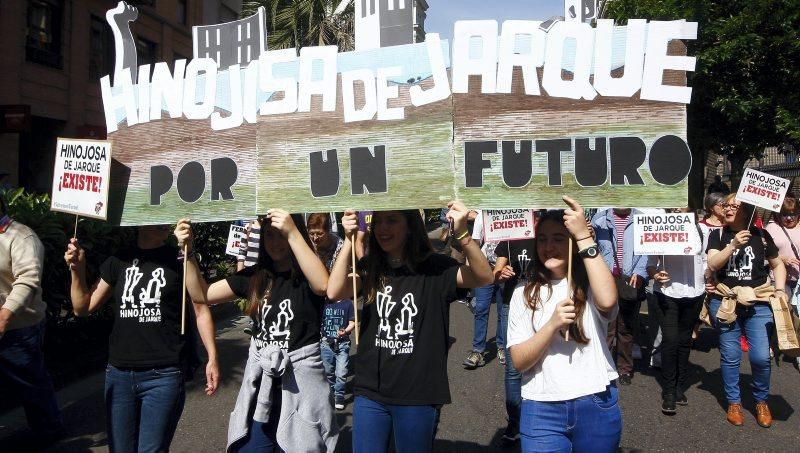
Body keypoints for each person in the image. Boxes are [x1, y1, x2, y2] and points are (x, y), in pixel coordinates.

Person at [327, 203, 493, 453]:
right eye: (379, 221)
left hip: (418, 394)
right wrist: (349, 240)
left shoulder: (436, 268)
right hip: (371, 390)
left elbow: (483, 277)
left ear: (410, 226)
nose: (383, 228)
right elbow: (334, 290)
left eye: (392, 220)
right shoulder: (371, 266)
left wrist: (462, 234)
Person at [178, 211, 338, 452]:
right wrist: (188, 252)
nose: (275, 243)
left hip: (300, 388)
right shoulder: (254, 277)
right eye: (269, 236)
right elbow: (202, 294)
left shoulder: (309, 274)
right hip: (260, 389)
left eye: (281, 235)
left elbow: (323, 285)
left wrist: (292, 230)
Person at [64, 224, 219, 453]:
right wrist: (77, 269)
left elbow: (200, 306)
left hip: (164, 375)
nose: (162, 222)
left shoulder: (180, 257)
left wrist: (212, 357)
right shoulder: (119, 260)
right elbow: (82, 307)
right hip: (119, 374)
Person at [507, 197, 620, 452]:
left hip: (596, 401)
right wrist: (551, 326)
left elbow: (608, 300)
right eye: (543, 239)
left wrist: (583, 236)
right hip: (541, 407)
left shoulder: (590, 282)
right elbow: (519, 361)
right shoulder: (523, 293)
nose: (549, 247)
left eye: (558, 238)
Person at [706, 194, 786, 428]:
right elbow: (712, 265)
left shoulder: (761, 235)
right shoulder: (718, 234)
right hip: (725, 301)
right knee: (730, 356)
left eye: (734, 206)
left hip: (758, 302)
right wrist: (732, 246)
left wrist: (780, 289)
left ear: (747, 210)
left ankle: (761, 401)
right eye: (726, 205)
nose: (728, 209)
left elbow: (777, 263)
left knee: (761, 356)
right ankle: (734, 403)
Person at [0, 206, 64, 445]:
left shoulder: (21, 236)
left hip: (19, 328)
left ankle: (49, 431)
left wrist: (4, 316)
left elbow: (28, 278)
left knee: (31, 383)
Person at [646, 208, 708, 414]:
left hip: (695, 293)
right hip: (667, 293)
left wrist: (710, 279)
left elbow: (706, 260)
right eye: (673, 204)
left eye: (681, 204)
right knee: (670, 341)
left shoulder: (703, 230)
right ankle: (669, 391)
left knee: (684, 340)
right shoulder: (658, 227)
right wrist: (656, 274)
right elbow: (650, 264)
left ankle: (680, 385)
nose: (676, 208)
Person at [592, 208, 649, 385]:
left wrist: (640, 273)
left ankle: (625, 368)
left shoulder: (642, 218)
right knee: (606, 326)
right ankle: (604, 366)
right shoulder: (599, 219)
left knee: (626, 327)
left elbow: (647, 249)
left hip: (630, 278)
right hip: (606, 278)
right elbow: (594, 248)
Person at [492, 231, 536, 446]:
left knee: (541, 362)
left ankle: (537, 418)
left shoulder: (547, 234)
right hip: (512, 305)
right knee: (512, 368)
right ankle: (515, 422)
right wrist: (500, 273)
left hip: (542, 304)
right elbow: (495, 273)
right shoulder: (510, 236)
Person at [307, 213, 354, 410]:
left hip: (332, 293)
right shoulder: (309, 245)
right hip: (312, 292)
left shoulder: (339, 245)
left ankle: (334, 386)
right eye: (312, 234)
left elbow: (336, 281)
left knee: (327, 337)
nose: (315, 238)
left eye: (319, 234)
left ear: (327, 231)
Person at [462, 209, 504, 369]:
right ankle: (477, 351)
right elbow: (476, 242)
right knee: (481, 309)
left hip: (506, 268)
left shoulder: (513, 212)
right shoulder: (482, 215)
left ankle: (501, 346)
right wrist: (469, 266)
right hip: (485, 267)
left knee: (503, 310)